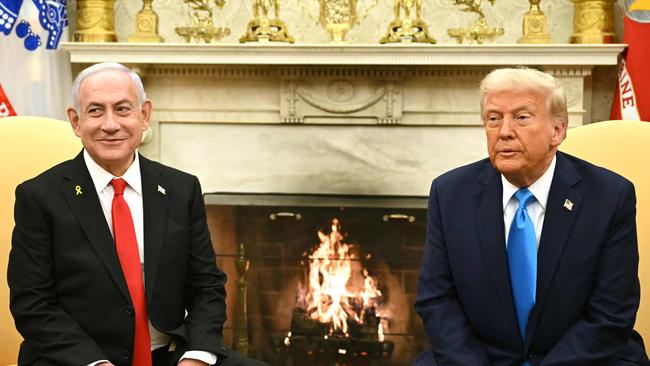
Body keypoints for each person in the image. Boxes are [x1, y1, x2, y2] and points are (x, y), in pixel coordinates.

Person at [7, 62, 268, 366]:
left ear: (144, 116)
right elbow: (32, 303)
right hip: (75, 358)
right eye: (95, 111)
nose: (110, 124)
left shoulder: (181, 189)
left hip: (167, 357)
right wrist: (95, 363)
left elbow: (206, 286)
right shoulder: (39, 197)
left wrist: (197, 356)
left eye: (122, 109)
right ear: (75, 122)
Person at [413, 67, 649, 365]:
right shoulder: (450, 194)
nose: (505, 131)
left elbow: (611, 313)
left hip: (581, 357)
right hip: (480, 358)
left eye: (522, 117)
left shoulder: (609, 196)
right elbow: (437, 300)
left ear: (558, 131)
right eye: (494, 118)